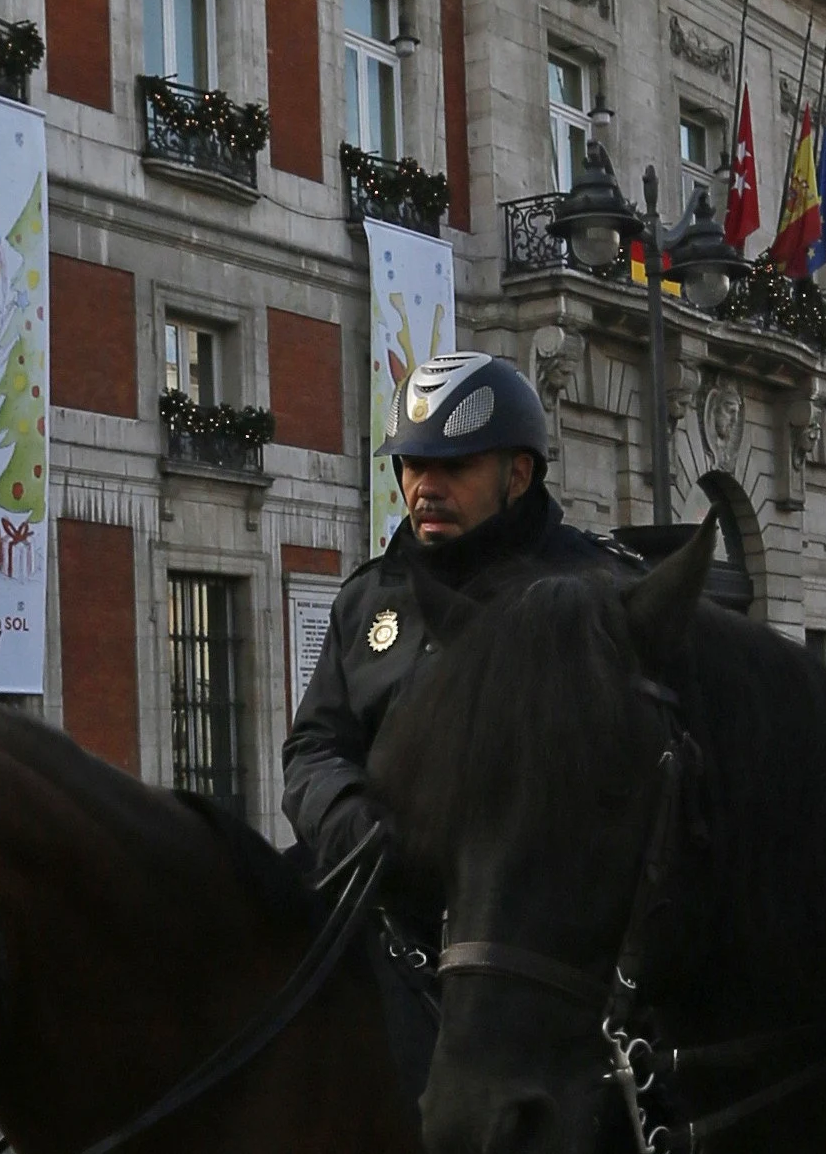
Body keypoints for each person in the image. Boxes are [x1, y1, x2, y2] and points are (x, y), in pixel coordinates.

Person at [280, 351, 640, 1095]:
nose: (424, 486)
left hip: (535, 945)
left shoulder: (596, 589)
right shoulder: (367, 599)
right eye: (411, 464)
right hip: (380, 909)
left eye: (454, 464)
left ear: (517, 474)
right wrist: (353, 821)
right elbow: (314, 747)